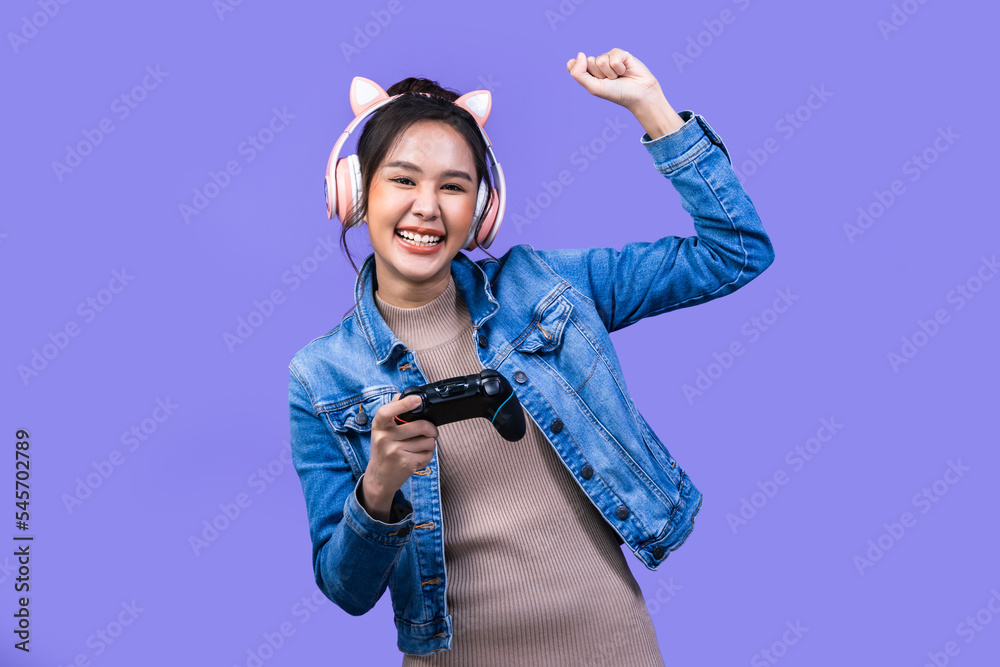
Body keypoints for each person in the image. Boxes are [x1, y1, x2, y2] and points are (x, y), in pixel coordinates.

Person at [288, 47, 775, 665]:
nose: (427, 207)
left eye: (454, 186)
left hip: (611, 647)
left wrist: (652, 109)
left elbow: (736, 252)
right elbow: (346, 590)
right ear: (355, 193)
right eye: (403, 179)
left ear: (482, 209)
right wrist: (378, 489)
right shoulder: (320, 377)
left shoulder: (549, 286)